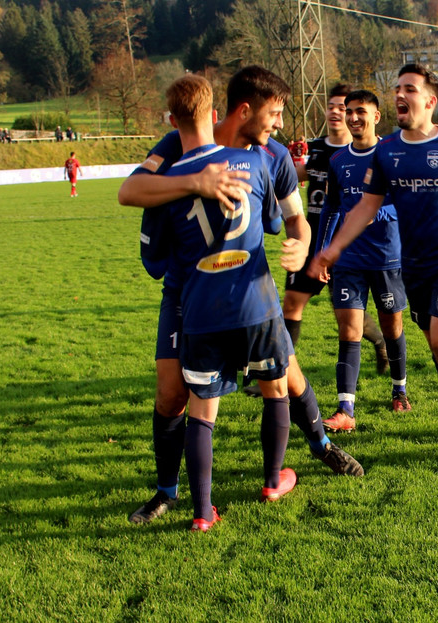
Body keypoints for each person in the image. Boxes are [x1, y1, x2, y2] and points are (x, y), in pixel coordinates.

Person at [118, 66, 363, 526]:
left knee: (287, 375)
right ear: (242, 111)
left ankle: (321, 446)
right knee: (171, 394)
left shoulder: (269, 156)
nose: (278, 126)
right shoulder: (177, 144)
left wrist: (302, 243)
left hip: (249, 288)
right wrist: (196, 182)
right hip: (186, 292)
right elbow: (130, 190)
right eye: (273, 114)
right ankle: (165, 492)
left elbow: (295, 218)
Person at [308, 63, 438, 463]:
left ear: (430, 100)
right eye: (397, 88)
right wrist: (333, 248)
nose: (400, 94)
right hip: (412, 267)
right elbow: (366, 206)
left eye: (409, 89)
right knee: (437, 346)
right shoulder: (388, 151)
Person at [153, 73, 302, 532]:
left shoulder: (168, 178)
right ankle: (274, 481)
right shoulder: (254, 163)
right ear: (216, 113)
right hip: (256, 306)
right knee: (276, 389)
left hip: (200, 312)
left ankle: (202, 512)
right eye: (273, 114)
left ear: (171, 119)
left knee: (202, 408)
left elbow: (154, 261)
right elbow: (279, 225)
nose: (276, 124)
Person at [315, 89, 411, 433]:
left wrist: (375, 211)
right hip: (349, 259)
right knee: (349, 329)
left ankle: (399, 389)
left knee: (391, 327)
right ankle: (345, 410)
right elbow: (331, 208)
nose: (353, 117)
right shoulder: (339, 160)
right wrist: (323, 252)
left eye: (361, 112)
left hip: (387, 257)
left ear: (376, 116)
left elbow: (406, 201)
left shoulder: (393, 155)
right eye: (349, 111)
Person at [286, 84, 389, 370]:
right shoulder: (318, 148)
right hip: (311, 238)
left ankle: (380, 342)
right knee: (292, 302)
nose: (336, 112)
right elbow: (301, 173)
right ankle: (279, 371)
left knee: (347, 317)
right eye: (332, 106)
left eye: (343, 108)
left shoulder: (360, 152)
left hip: (346, 242)